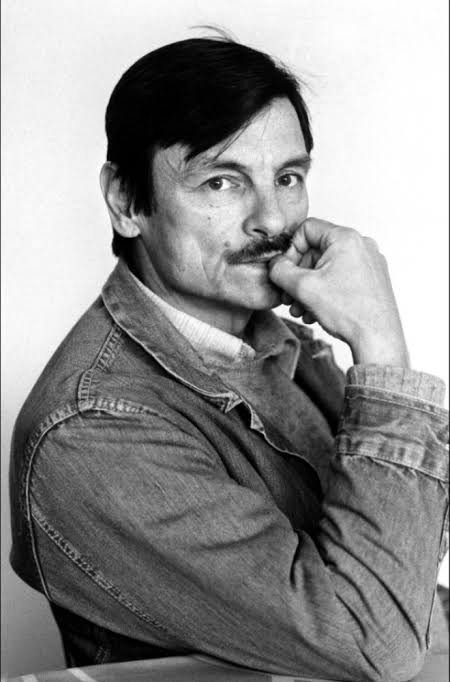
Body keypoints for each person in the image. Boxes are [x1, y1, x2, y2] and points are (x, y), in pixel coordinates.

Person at [9, 35, 448, 681]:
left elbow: (409, 555)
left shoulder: (280, 345)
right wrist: (383, 352)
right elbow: (372, 642)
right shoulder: (94, 429)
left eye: (288, 178)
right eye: (222, 181)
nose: (272, 220)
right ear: (126, 202)